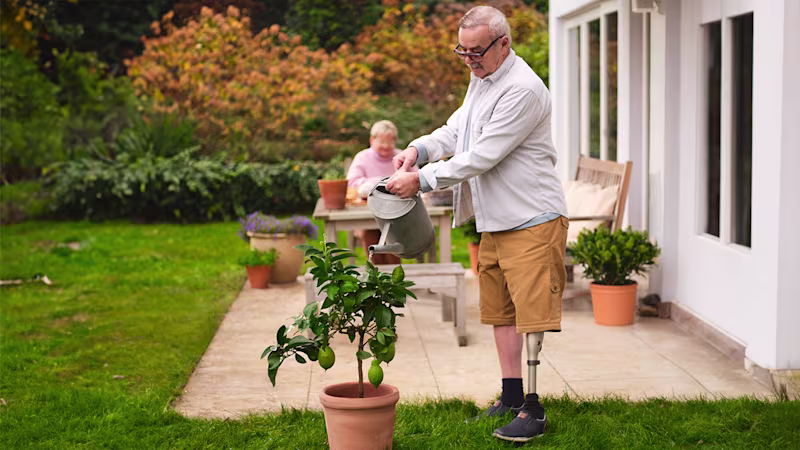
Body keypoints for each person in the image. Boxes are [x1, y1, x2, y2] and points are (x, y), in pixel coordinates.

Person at [385, 6, 568, 442]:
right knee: (501, 315)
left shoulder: (522, 89)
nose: (468, 59)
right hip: (496, 221)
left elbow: (483, 154)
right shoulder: (483, 77)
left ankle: (534, 409)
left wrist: (422, 181)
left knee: (531, 316)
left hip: (532, 219)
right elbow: (457, 130)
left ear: (503, 43)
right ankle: (510, 397)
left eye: (476, 51)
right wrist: (419, 151)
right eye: (462, 51)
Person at [346, 120, 415, 265]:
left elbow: (417, 178)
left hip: (398, 215)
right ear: (372, 140)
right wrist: (379, 182)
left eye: (389, 142)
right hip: (368, 213)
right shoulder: (362, 157)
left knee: (392, 231)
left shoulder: (402, 157)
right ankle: (377, 272)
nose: (386, 146)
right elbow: (352, 183)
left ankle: (393, 274)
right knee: (371, 231)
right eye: (382, 142)